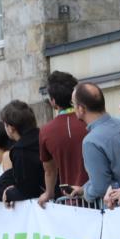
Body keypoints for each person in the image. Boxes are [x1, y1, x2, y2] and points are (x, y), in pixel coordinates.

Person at [73, 83, 120, 203]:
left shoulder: (91, 141)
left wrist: (86, 192)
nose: (73, 109)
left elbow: (101, 188)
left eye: (73, 104)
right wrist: (85, 188)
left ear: (81, 109)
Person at [38, 71, 88, 207]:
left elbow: (49, 170)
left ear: (53, 101)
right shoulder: (90, 120)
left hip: (71, 201)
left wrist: (48, 193)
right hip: (102, 197)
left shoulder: (46, 131)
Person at [0, 101, 46, 206]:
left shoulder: (20, 150)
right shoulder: (43, 135)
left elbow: (26, 191)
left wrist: (8, 193)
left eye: (5, 125)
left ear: (11, 128)